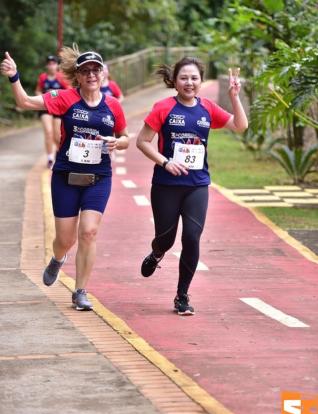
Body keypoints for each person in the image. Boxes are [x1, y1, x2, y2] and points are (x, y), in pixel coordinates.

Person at [1, 46, 129, 310]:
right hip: (66, 177)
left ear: (102, 74)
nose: (92, 75)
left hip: (99, 177)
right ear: (78, 76)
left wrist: (118, 142)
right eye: (86, 71)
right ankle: (58, 259)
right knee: (66, 239)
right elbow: (25, 102)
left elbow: (126, 137)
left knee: (89, 232)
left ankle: (80, 291)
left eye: (96, 70)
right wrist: (14, 77)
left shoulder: (113, 106)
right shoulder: (65, 98)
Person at [136, 57, 248, 316]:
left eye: (194, 78)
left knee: (192, 238)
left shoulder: (207, 108)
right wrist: (165, 162)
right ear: (175, 81)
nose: (189, 82)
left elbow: (240, 126)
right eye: (184, 78)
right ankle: (156, 253)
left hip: (197, 185)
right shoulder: (163, 108)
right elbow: (142, 141)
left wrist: (234, 96)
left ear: (201, 80)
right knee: (166, 239)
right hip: (166, 184)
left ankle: (182, 295)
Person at [35, 55, 70, 168]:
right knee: (48, 132)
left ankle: (60, 155)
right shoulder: (43, 77)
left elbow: (68, 92)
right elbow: (38, 91)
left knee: (57, 135)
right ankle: (50, 158)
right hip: (45, 108)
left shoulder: (61, 78)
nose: (51, 66)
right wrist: (43, 98)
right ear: (46, 65)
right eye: (49, 63)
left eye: (53, 63)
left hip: (58, 109)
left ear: (57, 65)